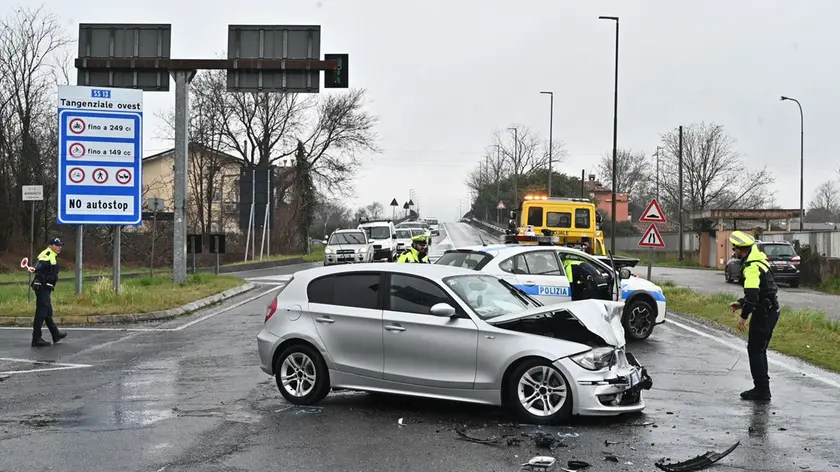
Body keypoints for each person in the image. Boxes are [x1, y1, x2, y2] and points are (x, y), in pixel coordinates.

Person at [728, 231, 779, 401]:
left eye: (734, 248)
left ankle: (762, 390)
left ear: (740, 250)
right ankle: (762, 388)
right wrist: (741, 303)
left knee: (755, 350)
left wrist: (744, 315)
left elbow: (753, 294)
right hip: (771, 310)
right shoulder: (760, 259)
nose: (733, 251)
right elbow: (762, 291)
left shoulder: (751, 267)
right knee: (759, 349)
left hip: (763, 312)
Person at [29, 237, 68, 347]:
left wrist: (35, 269)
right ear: (50, 245)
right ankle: (36, 338)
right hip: (42, 287)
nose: (59, 247)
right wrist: (36, 269)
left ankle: (55, 334)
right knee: (41, 313)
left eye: (60, 245)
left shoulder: (52, 254)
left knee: (47, 312)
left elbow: (42, 267)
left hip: (46, 287)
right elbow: (41, 264)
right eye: (57, 245)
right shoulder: (47, 253)